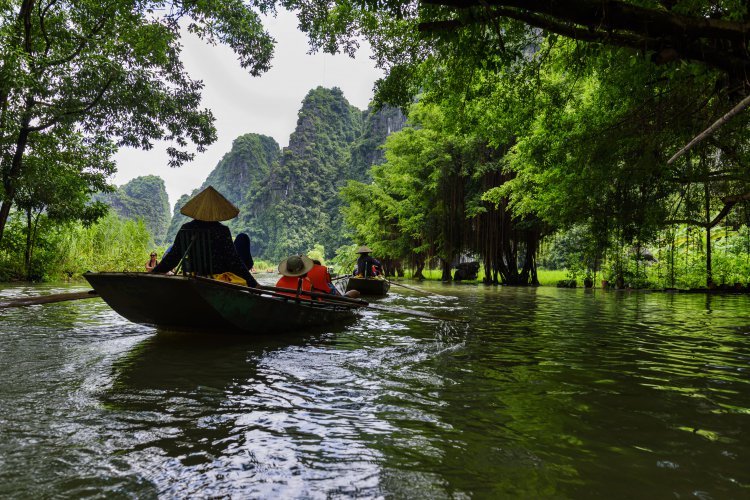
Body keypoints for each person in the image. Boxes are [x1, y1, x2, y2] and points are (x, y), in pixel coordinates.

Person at [151, 186, 258, 287]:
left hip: (195, 274)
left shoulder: (186, 229)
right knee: (242, 238)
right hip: (219, 276)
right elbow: (233, 261)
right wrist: (253, 283)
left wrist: (154, 272)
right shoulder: (222, 230)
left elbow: (173, 257)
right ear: (217, 210)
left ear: (198, 208)